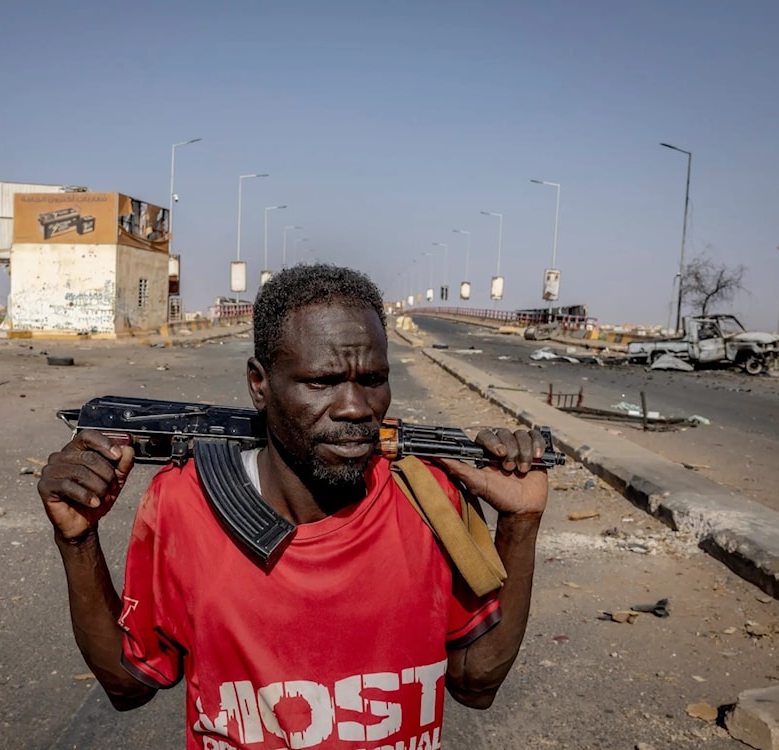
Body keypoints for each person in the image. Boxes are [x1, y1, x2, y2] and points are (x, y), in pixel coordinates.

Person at [38, 263, 549, 750]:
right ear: (259, 384)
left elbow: (475, 684)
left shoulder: (430, 496)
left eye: (372, 380)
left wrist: (521, 522)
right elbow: (129, 686)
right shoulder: (182, 503)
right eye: (321, 383)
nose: (355, 408)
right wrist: (77, 540)